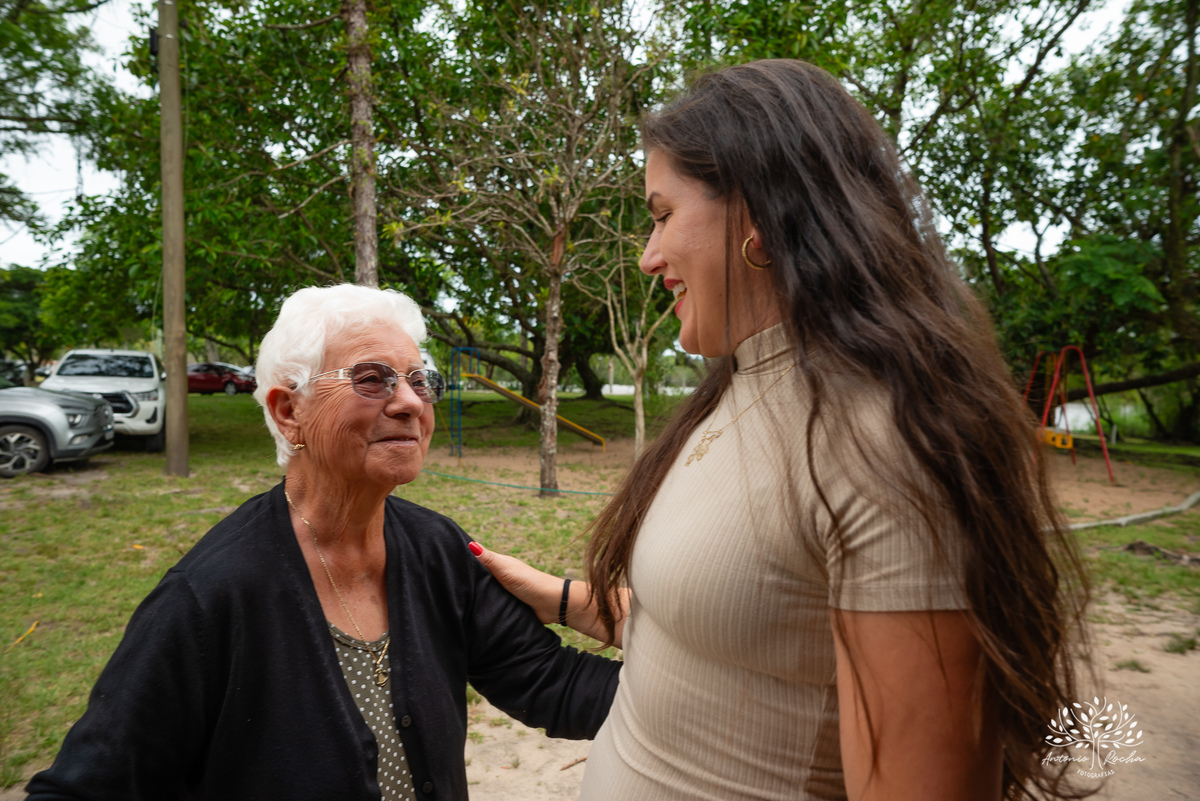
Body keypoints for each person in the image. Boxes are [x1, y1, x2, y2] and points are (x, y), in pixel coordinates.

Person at [473, 59, 1088, 801]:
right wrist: (558, 596)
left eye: (663, 214)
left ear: (757, 215)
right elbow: (738, 624)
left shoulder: (883, 443)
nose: (647, 255)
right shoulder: (742, 385)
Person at [26, 284, 621, 801]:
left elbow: (555, 688)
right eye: (371, 379)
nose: (411, 402)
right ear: (289, 413)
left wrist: (596, 611)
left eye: (419, 380)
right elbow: (90, 785)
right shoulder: (209, 597)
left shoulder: (436, 550)